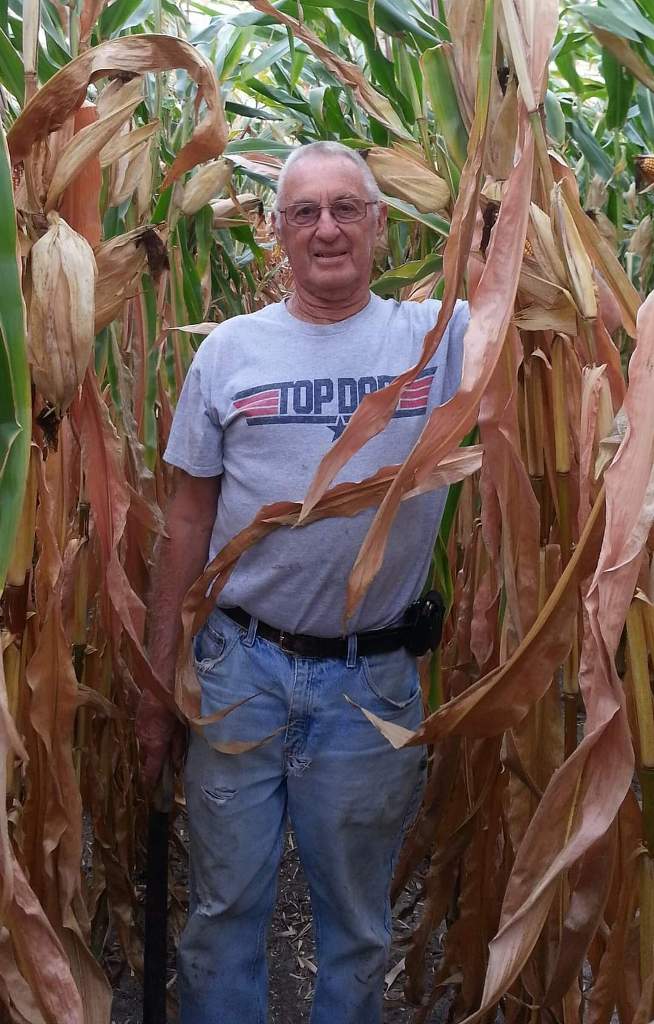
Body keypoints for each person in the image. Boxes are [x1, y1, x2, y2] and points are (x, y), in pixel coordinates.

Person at [137, 139, 469, 1024]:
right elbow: (186, 521)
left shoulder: (440, 337)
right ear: (277, 231)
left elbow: (544, 287)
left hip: (370, 683)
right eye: (304, 213)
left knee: (356, 928)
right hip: (239, 671)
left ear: (380, 223)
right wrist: (159, 681)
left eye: (346, 208)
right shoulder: (230, 353)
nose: (327, 229)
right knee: (221, 915)